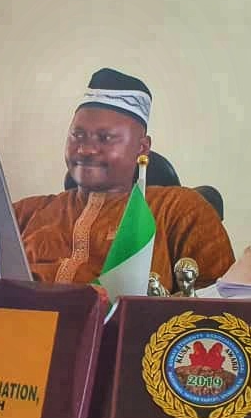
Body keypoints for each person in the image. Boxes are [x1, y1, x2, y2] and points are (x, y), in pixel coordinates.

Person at [13, 68, 235, 292]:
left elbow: (222, 302)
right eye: (77, 135)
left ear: (142, 147)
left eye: (105, 138)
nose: (86, 149)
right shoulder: (25, 213)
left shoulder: (178, 209)